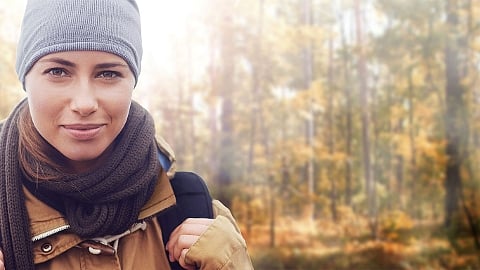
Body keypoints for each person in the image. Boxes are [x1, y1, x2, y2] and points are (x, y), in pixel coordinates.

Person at [0, 0, 253, 269]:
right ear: (25, 78)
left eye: (108, 73)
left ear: (133, 81)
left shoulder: (188, 207)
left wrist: (228, 263)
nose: (84, 103)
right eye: (57, 71)